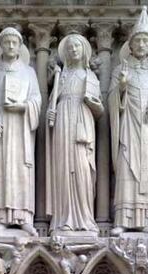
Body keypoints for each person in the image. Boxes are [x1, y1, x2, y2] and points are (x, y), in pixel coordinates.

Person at [108, 6, 148, 235]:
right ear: (131, 45)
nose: (142, 44)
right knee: (127, 169)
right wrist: (122, 86)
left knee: (147, 172)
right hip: (129, 129)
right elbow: (112, 100)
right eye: (138, 41)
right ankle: (123, 220)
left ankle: (146, 220)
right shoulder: (120, 69)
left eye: (146, 41)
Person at [0, 27, 41, 236]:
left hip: (21, 129)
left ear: (20, 46)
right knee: (0, 171)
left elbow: (36, 100)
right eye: (7, 43)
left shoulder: (29, 72)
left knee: (21, 170)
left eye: (15, 42)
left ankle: (23, 217)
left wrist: (24, 107)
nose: (11, 46)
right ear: (1, 46)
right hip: (0, 130)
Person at [46, 34, 103, 234]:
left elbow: (100, 110)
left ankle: (85, 218)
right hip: (63, 121)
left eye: (77, 46)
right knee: (63, 168)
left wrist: (92, 103)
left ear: (84, 50)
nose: (73, 50)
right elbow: (53, 101)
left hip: (82, 121)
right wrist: (50, 114)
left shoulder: (90, 76)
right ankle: (64, 219)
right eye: (69, 47)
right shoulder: (60, 76)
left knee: (82, 168)